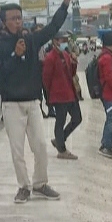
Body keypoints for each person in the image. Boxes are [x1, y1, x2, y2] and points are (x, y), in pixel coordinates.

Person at [0, 0, 73, 204]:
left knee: (41, 147)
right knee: (17, 150)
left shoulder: (32, 40)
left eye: (20, 18)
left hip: (33, 102)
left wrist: (65, 4)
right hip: (11, 105)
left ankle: (40, 183)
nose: (18, 22)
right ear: (4, 22)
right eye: (13, 19)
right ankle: (23, 186)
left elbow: (52, 28)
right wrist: (15, 56)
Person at [42, 31, 82, 160]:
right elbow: (46, 78)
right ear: (55, 41)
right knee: (60, 121)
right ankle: (62, 150)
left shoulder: (65, 54)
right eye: (63, 40)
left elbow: (71, 73)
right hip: (59, 95)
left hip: (70, 93)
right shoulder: (50, 57)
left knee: (77, 118)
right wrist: (49, 96)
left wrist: (74, 62)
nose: (65, 43)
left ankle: (60, 139)